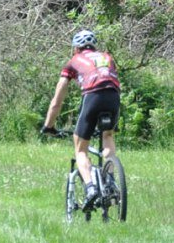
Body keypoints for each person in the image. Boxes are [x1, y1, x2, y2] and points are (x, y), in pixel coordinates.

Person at [42, 29, 122, 206]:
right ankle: (109, 180)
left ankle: (91, 187)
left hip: (93, 97)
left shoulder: (73, 62)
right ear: (94, 46)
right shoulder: (107, 57)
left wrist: (49, 125)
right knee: (107, 135)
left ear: (75, 48)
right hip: (113, 95)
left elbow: (57, 100)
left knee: (80, 149)